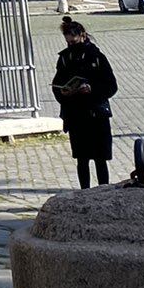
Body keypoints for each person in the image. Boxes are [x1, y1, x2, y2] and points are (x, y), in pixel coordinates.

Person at [52, 17, 118, 187]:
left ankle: (104, 189)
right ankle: (84, 192)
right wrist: (63, 92)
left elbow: (111, 85)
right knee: (81, 159)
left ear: (82, 35)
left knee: (100, 158)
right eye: (68, 42)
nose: (71, 45)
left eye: (73, 41)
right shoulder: (65, 58)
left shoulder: (96, 57)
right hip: (75, 114)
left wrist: (92, 89)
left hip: (96, 113)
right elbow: (57, 83)